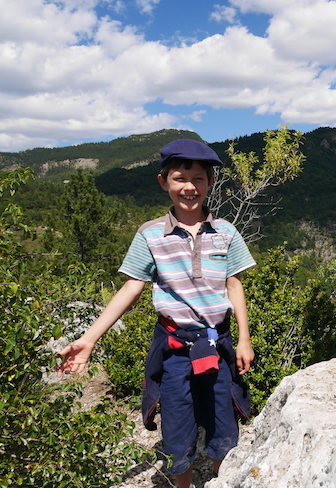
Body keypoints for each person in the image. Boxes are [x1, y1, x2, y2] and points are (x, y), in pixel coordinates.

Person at [58, 139, 256, 488]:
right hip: (175, 349)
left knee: (223, 422)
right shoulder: (150, 234)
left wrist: (244, 339)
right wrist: (89, 339)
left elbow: (234, 285)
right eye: (180, 178)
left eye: (198, 179)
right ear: (164, 182)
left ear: (210, 183)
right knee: (177, 424)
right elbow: (132, 287)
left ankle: (220, 480)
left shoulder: (225, 232)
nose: (189, 187)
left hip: (218, 344)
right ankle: (183, 484)